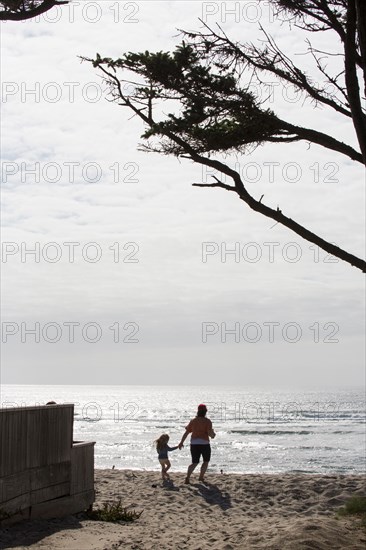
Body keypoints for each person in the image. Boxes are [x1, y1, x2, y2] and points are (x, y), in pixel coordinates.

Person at [179, 404, 216, 484]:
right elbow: (211, 434)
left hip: (194, 444)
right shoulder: (207, 421)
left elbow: (186, 432)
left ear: (198, 411)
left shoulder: (193, 421)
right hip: (204, 444)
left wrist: (181, 442)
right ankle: (201, 477)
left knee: (194, 462)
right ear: (206, 411)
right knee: (206, 461)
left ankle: (188, 477)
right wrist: (213, 434)